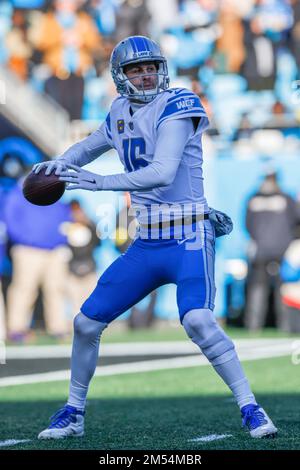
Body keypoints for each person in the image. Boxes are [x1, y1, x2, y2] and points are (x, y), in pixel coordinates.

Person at [34, 35, 277, 440]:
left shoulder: (178, 103)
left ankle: (250, 406)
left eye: (151, 67)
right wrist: (60, 164)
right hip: (149, 240)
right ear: (120, 77)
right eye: (136, 69)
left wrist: (98, 183)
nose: (146, 75)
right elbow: (90, 145)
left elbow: (163, 171)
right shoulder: (118, 111)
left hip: (188, 234)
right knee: (86, 323)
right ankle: (74, 412)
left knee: (198, 319)